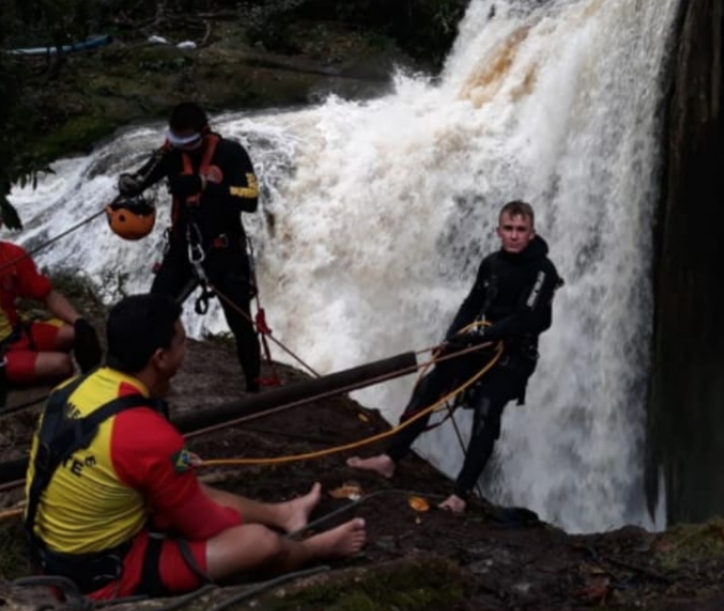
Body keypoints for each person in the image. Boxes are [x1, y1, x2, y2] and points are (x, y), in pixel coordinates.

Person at [24, 293, 367, 599]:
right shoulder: (146, 435)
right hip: (102, 574)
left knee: (182, 482)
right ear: (160, 357)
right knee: (259, 542)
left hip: (52, 549)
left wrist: (178, 473)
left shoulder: (70, 389)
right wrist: (237, 525)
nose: (185, 350)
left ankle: (284, 513)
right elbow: (207, 527)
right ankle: (313, 548)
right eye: (183, 343)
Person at [347, 200, 562, 514]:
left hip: (514, 355)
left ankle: (459, 495)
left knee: (487, 410)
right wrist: (451, 340)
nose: (514, 236)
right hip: (479, 345)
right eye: (508, 229)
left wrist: (477, 336)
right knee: (430, 386)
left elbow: (525, 318)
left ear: (532, 233)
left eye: (520, 230)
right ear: (498, 231)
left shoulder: (542, 269)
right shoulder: (491, 264)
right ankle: (389, 459)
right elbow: (471, 304)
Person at [117, 102, 263, 392]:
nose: (184, 147)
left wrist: (204, 185)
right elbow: (143, 177)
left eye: (189, 141)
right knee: (156, 311)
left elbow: (251, 198)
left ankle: (254, 386)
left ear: (204, 132)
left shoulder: (230, 153)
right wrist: (129, 185)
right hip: (184, 249)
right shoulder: (172, 154)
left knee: (241, 323)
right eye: (177, 140)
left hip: (225, 251)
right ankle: (147, 384)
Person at [0, 225, 102, 396]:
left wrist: (78, 320)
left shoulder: (9, 255)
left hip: (17, 335)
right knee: (61, 364)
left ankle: (95, 385)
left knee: (77, 333)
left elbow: (47, 294)